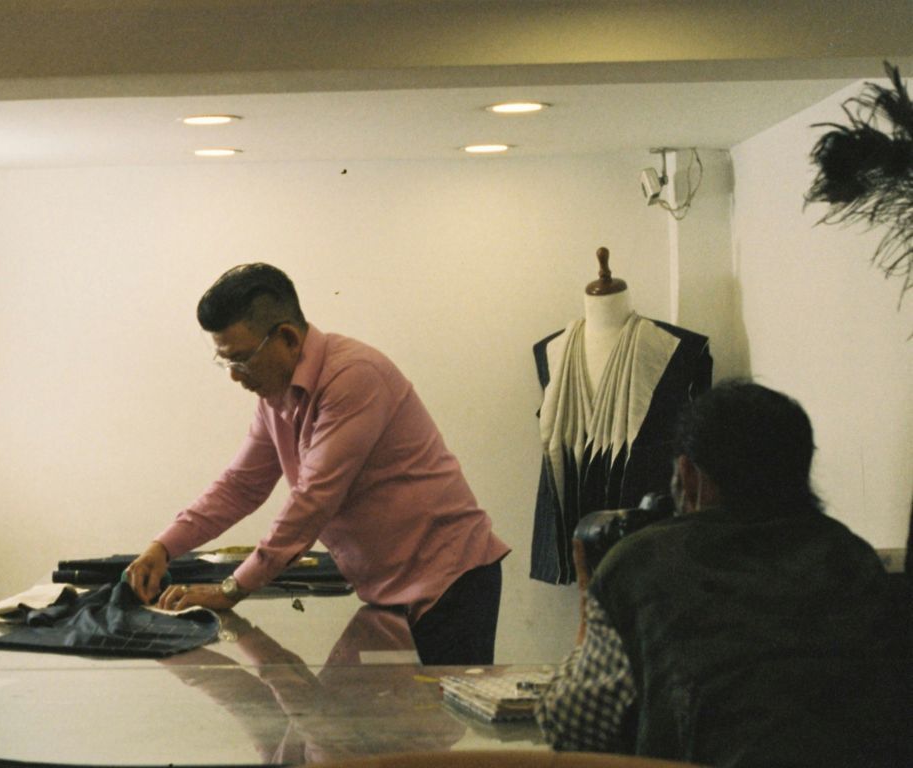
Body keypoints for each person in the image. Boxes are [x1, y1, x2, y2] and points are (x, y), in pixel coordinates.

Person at [124, 263, 510, 664]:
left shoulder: (354, 376)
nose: (236, 377)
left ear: (288, 338)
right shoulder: (275, 398)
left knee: (447, 704)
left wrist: (231, 589)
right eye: (226, 363)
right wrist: (163, 547)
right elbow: (240, 486)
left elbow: (312, 501)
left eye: (241, 360)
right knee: (359, 704)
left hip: (450, 580)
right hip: (388, 587)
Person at [535, 380, 911, 768]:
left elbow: (573, 727)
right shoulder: (851, 557)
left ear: (689, 474)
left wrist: (589, 603)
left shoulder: (641, 563)